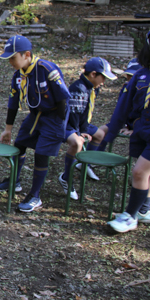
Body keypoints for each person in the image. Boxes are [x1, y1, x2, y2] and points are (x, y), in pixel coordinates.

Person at [0, 35, 71, 212]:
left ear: (27, 54)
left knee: (41, 152)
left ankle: (35, 195)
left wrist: (60, 126)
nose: (10, 61)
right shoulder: (18, 74)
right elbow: (13, 102)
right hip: (36, 115)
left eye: (13, 57)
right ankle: (15, 181)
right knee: (20, 144)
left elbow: (63, 100)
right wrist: (7, 129)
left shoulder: (47, 69)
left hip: (53, 116)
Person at [104, 40, 150, 233]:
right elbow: (122, 110)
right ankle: (144, 208)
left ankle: (130, 216)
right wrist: (106, 140)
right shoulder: (140, 76)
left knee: (139, 172)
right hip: (143, 131)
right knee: (146, 173)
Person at [58, 57, 117, 199]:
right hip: (68, 125)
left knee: (100, 134)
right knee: (77, 143)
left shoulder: (92, 88)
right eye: (103, 77)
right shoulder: (79, 89)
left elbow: (83, 114)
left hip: (81, 124)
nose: (104, 81)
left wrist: (85, 129)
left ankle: (85, 165)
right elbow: (73, 115)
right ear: (93, 74)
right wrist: (80, 133)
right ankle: (66, 178)